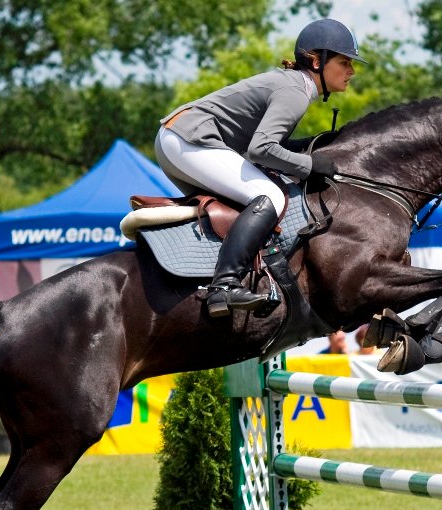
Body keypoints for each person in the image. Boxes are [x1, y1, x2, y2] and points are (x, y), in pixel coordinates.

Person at [153, 18, 364, 318]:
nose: (351, 71)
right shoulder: (296, 92)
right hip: (190, 139)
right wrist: (310, 165)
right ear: (317, 61)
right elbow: (261, 150)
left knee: (241, 205)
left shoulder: (292, 85)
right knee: (269, 196)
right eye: (344, 62)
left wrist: (313, 148)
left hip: (178, 140)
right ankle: (223, 287)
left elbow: (266, 145)